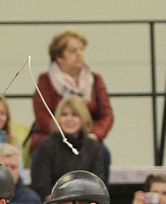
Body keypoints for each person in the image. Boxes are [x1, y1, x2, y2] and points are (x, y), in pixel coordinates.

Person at [31, 29, 114, 178]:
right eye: (73, 51)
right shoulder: (45, 80)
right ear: (59, 57)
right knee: (47, 151)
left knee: (102, 152)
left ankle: (100, 198)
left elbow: (106, 114)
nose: (79, 54)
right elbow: (42, 115)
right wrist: (63, 134)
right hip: (54, 138)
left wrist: (94, 134)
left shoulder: (95, 79)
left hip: (86, 138)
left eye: (81, 50)